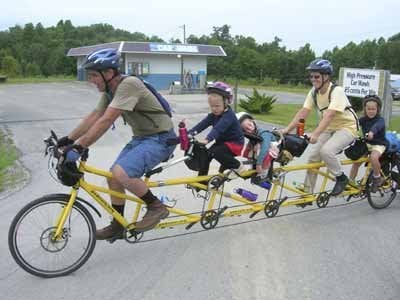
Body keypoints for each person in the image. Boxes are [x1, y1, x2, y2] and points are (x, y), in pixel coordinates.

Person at [58, 48, 177, 239]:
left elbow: (106, 120)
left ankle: (156, 207)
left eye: (94, 75)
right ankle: (117, 225)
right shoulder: (110, 91)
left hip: (161, 138)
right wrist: (69, 139)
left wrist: (80, 147)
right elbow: (95, 116)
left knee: (122, 173)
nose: (91, 80)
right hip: (141, 138)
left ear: (109, 73)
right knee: (113, 178)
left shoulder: (129, 84)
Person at [281, 58, 358, 196]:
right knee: (313, 157)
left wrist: (315, 134)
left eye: (316, 76)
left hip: (347, 127)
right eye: (311, 76)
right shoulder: (314, 92)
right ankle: (308, 191)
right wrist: (286, 130)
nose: (313, 79)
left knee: (327, 151)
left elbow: (329, 115)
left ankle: (341, 178)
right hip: (330, 128)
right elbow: (304, 112)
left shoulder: (336, 91)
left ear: (326, 76)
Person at [188, 82, 245, 178]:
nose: (214, 109)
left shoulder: (229, 116)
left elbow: (218, 129)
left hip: (235, 144)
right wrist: (188, 134)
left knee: (216, 152)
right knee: (205, 154)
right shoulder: (213, 115)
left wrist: (207, 139)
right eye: (212, 106)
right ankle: (202, 180)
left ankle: (238, 167)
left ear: (226, 102)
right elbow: (200, 126)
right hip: (222, 143)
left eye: (217, 106)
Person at [349, 95, 387, 192]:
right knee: (357, 161)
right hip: (367, 144)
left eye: (373, 109)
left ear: (377, 109)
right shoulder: (363, 119)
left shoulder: (380, 120)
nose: (371, 111)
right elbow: (354, 124)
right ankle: (351, 182)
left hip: (379, 144)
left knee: (373, 157)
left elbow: (377, 127)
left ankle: (377, 177)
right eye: (368, 109)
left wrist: (371, 132)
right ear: (365, 109)